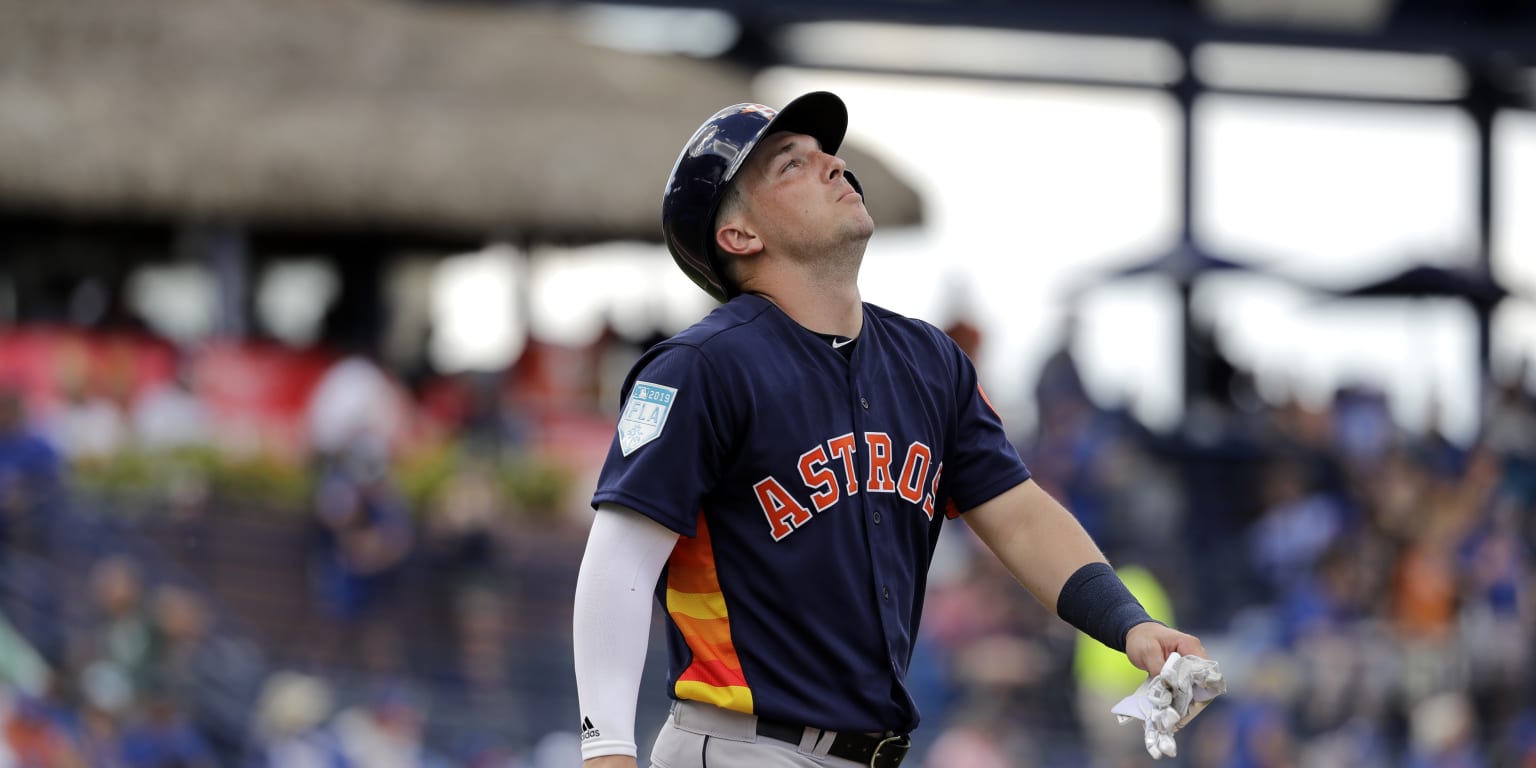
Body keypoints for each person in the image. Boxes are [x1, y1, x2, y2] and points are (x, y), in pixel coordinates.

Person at [571, 91, 1213, 767]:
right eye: (791, 164)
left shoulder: (928, 359)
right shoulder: (701, 367)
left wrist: (1130, 623)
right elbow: (619, 561)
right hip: (743, 746)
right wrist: (607, 749)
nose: (833, 166)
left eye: (827, 155)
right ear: (739, 236)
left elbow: (1021, 517)